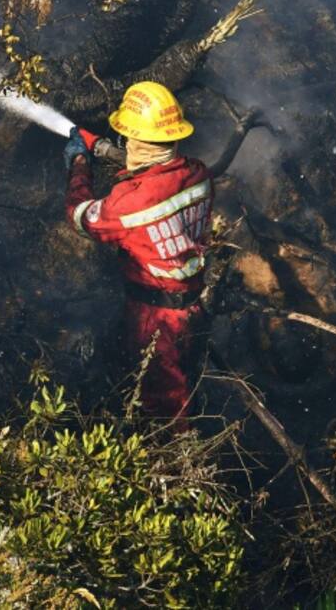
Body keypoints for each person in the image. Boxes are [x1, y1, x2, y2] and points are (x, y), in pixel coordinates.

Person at [63, 81, 213, 425]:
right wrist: (105, 149)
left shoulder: (130, 203)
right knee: (186, 384)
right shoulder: (198, 173)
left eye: (130, 138)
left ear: (141, 143)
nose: (126, 143)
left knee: (166, 413)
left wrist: (80, 165)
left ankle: (172, 471)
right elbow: (159, 174)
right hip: (193, 308)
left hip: (156, 321)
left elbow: (81, 216)